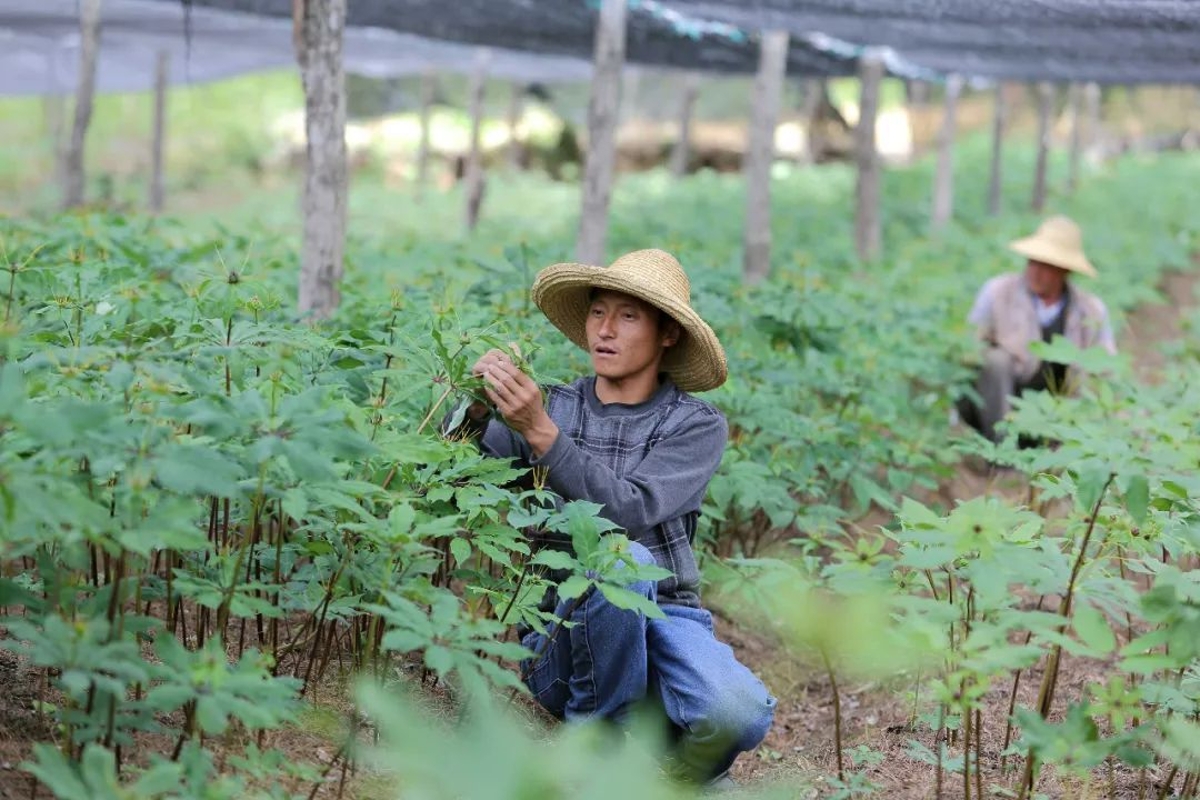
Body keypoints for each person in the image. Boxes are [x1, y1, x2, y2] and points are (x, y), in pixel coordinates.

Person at [454, 248, 775, 785]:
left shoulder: (694, 425)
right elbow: (459, 477)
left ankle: (666, 775)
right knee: (617, 564)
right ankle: (596, 745)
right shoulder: (551, 405)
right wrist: (476, 407)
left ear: (667, 333)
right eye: (598, 312)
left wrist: (541, 435)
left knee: (738, 715)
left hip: (667, 618)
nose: (605, 330)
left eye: (628, 316)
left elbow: (627, 511)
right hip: (561, 629)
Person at [958, 215, 1117, 444]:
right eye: (1033, 261)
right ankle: (1002, 449)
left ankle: (1061, 447)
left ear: (1064, 270)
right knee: (995, 361)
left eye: (1046, 265)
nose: (1035, 271)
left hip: (1057, 408)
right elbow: (968, 347)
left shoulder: (1090, 310)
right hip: (1002, 400)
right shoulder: (999, 292)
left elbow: (1107, 368)